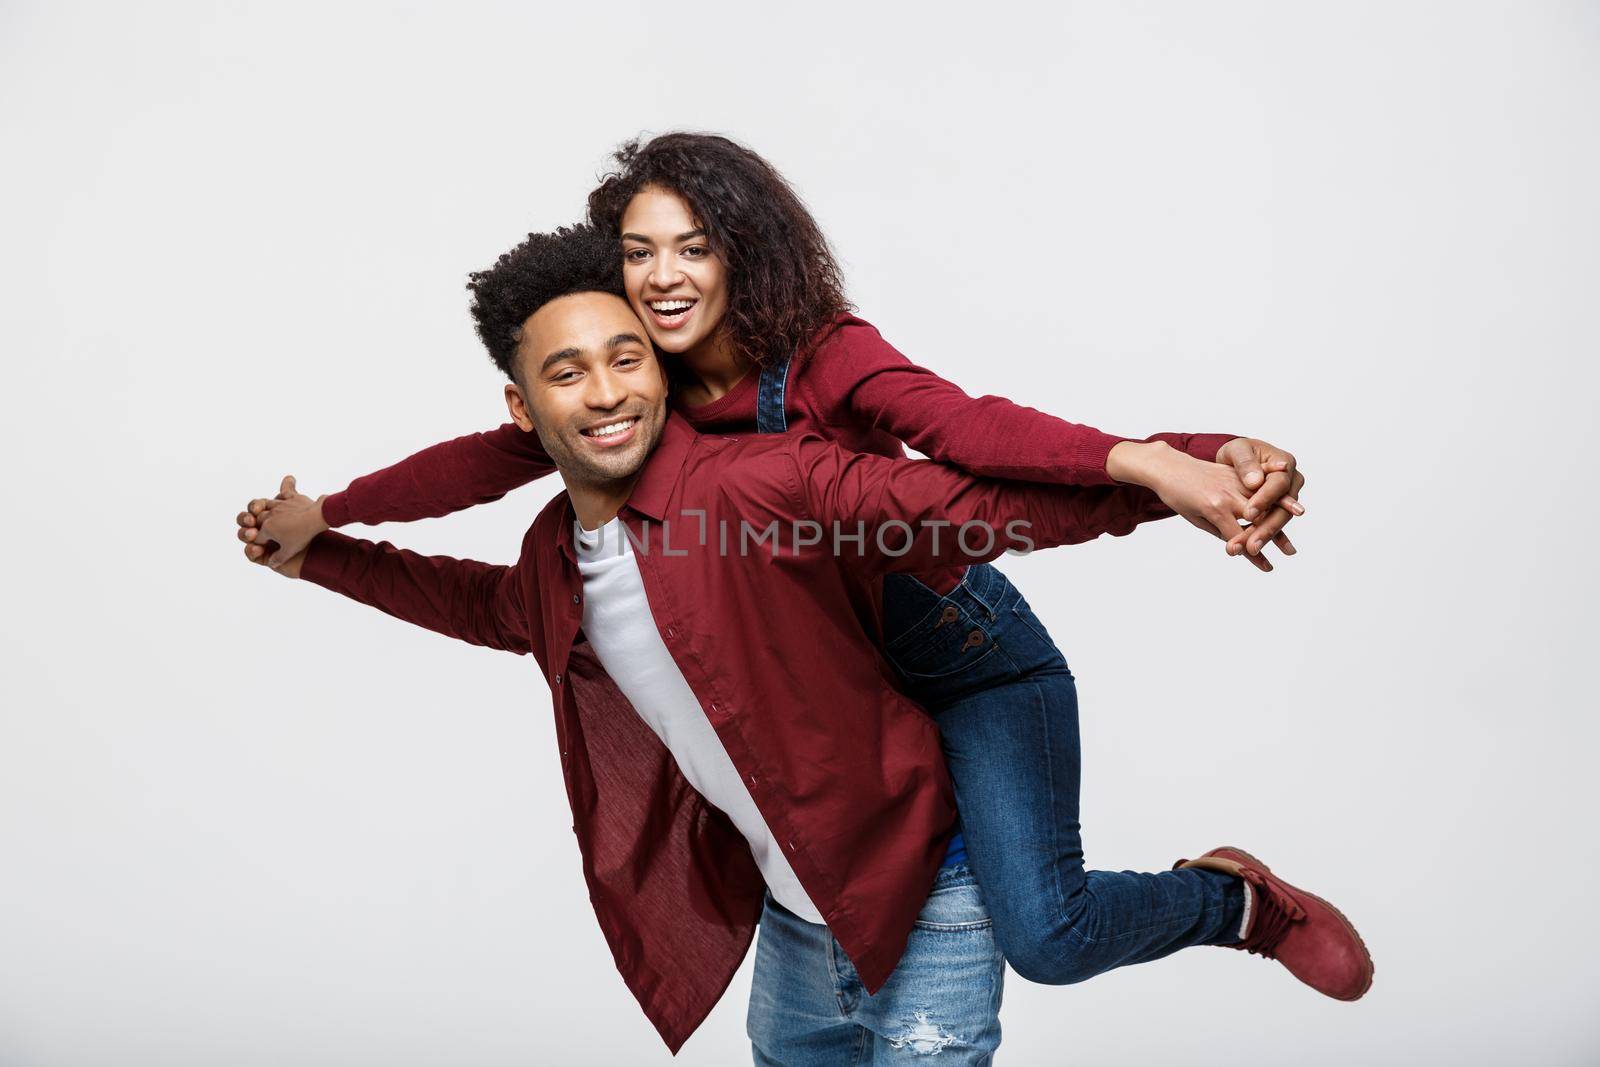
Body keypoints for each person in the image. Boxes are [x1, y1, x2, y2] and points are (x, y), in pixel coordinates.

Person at [238, 226, 1369, 1062]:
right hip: (795, 915)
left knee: (1054, 929)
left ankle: (1234, 904)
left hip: (931, 884)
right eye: (567, 372)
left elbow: (971, 493)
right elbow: (467, 596)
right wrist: (318, 540)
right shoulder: (553, 564)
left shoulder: (764, 480)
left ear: (663, 369)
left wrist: (1186, 463)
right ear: (522, 411)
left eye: (627, 357)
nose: (607, 390)